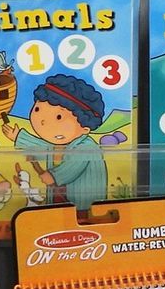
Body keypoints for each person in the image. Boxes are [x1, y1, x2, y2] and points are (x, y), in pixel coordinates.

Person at [6, 74, 108, 212]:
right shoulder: (59, 145)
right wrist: (18, 137)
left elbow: (74, 166)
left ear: (84, 129)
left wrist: (54, 176)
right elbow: (45, 148)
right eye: (37, 109)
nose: (42, 121)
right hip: (58, 200)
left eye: (59, 117)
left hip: (84, 204)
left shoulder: (86, 147)